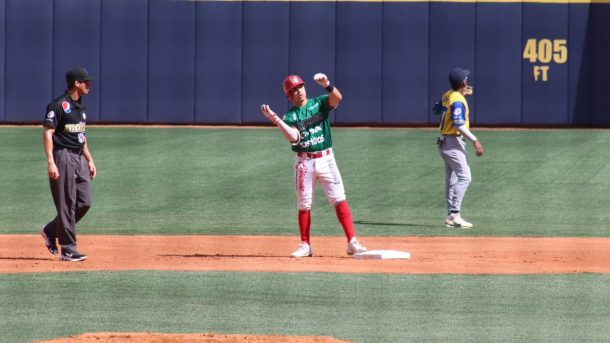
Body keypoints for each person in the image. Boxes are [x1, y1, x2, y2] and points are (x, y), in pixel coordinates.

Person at [260, 73, 368, 257]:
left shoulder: (319, 103)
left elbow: (337, 99)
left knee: (339, 198)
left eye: (300, 87)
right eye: (293, 90)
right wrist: (276, 120)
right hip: (304, 162)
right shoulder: (291, 115)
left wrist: (327, 85)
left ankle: (352, 242)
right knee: (304, 204)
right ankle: (305, 245)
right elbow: (294, 138)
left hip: (326, 158)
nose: (298, 91)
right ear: (289, 96)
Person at [40, 67, 97, 261]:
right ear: (76, 83)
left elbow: (81, 134)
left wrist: (89, 159)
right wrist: (51, 162)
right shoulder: (57, 105)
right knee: (66, 203)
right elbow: (48, 133)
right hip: (62, 157)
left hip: (79, 157)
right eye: (86, 81)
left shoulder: (80, 106)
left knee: (84, 202)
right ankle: (68, 249)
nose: (89, 84)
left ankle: (50, 230)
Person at [434, 67, 484, 228]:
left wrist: (456, 96)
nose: (467, 81)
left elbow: (436, 110)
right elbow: (458, 124)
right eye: (466, 79)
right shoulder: (457, 100)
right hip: (453, 142)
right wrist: (475, 140)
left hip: (443, 142)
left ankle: (451, 215)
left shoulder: (448, 95)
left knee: (452, 179)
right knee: (465, 177)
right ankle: (455, 214)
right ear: (463, 82)